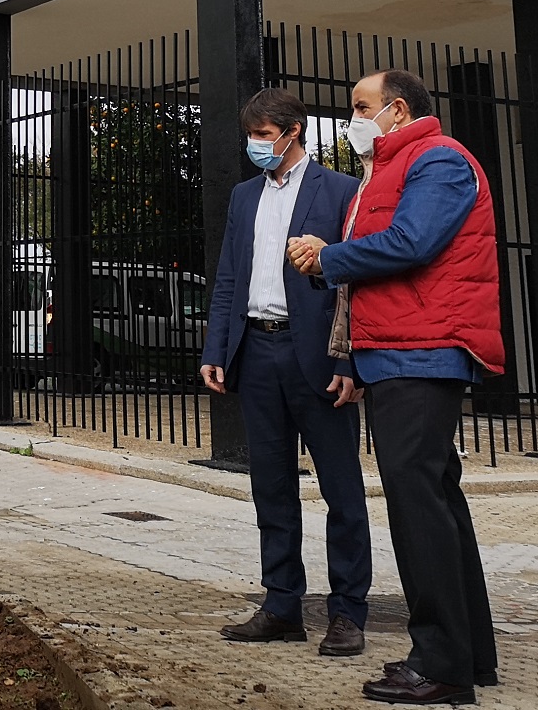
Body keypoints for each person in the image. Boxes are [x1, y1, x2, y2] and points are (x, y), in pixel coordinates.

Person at [287, 69, 504, 706]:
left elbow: (413, 243)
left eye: (361, 106)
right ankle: (468, 656)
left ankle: (440, 666)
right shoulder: (385, 173)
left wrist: (327, 258)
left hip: (424, 352)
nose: (352, 117)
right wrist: (352, 358)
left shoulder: (438, 159)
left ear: (398, 109)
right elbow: (373, 277)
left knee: (418, 510)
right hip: (397, 353)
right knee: (436, 505)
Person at [201, 89, 370, 658]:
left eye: (265, 136)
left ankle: (347, 613)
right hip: (257, 354)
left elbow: (354, 283)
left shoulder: (342, 190)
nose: (257, 146)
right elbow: (229, 275)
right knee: (270, 488)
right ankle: (281, 606)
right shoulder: (244, 196)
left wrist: (350, 360)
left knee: (341, 489)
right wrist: (217, 348)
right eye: (252, 136)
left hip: (319, 359)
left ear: (294, 132)